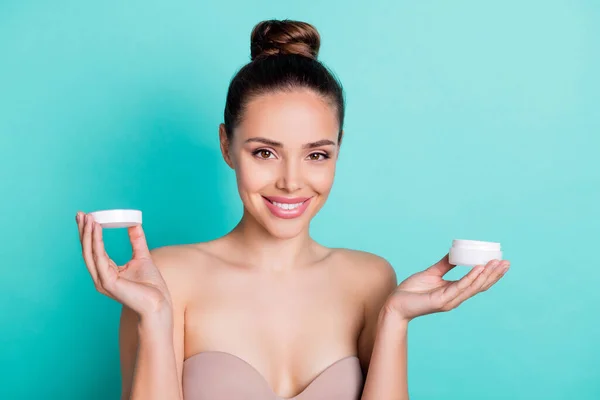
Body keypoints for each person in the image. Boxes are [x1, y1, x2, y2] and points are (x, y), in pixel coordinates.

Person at [75, 19, 510, 400]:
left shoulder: (371, 279)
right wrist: (153, 318)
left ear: (339, 150)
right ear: (227, 145)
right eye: (265, 152)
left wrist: (395, 319)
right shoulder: (166, 276)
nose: (291, 181)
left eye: (316, 155)